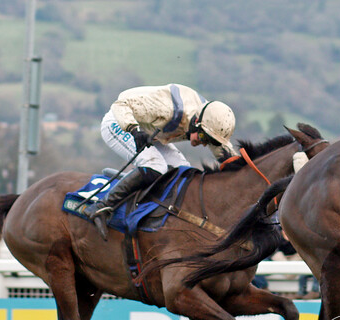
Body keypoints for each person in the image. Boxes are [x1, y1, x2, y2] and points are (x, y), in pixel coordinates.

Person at [85, 84, 237, 240]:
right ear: (196, 122)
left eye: (209, 140)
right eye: (205, 138)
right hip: (120, 122)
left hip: (150, 131)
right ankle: (101, 207)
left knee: (184, 171)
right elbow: (120, 105)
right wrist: (133, 129)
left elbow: (225, 154)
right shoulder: (169, 109)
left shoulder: (207, 120)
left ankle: (157, 206)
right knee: (155, 165)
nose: (205, 144)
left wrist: (239, 168)